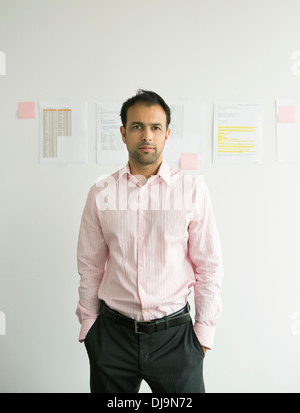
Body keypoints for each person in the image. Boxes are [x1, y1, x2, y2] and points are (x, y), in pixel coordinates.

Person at [76, 90, 223, 393]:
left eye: (155, 127)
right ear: (123, 133)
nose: (147, 135)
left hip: (176, 339)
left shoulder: (192, 191)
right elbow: (90, 265)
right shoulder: (101, 193)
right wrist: (89, 326)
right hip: (113, 338)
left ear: (167, 134)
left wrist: (203, 336)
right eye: (137, 126)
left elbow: (208, 267)